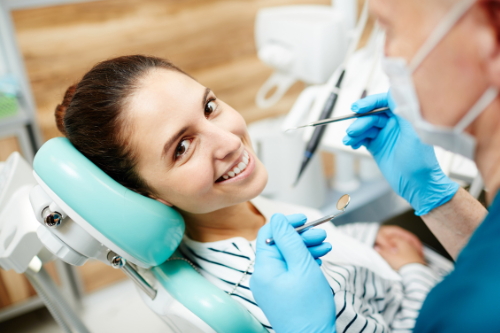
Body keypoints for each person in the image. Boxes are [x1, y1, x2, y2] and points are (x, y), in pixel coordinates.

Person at [54, 55, 445, 332]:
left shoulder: (228, 207)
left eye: (209, 107)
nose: (228, 140)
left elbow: (324, 239)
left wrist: (367, 237)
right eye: (182, 147)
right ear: (146, 194)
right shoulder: (262, 287)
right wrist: (413, 270)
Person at [250, 0, 500, 332]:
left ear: (492, 42)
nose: (383, 57)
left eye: (387, 28)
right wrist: (435, 196)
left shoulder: (465, 316)